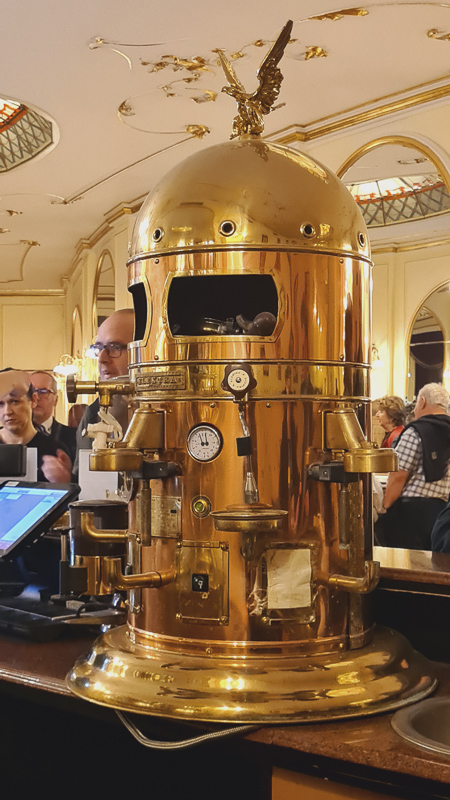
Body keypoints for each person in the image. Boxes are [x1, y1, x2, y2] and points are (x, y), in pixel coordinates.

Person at [380, 382, 450, 550]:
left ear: (423, 402)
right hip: (442, 511)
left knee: (405, 562)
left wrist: (385, 508)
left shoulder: (415, 431)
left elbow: (398, 475)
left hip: (411, 512)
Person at [74, 308, 134, 474]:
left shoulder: (169, 409)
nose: (101, 358)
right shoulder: (93, 413)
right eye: (98, 348)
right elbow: (85, 479)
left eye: (114, 347)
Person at [0, 369, 72, 483]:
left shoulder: (54, 450)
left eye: (14, 402)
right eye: (0, 404)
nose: (7, 411)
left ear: (33, 400)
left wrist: (64, 483)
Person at [30, 370, 77, 465]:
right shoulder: (8, 437)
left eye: (42, 392)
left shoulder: (74, 437)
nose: (36, 397)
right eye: (31, 392)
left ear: (56, 399)